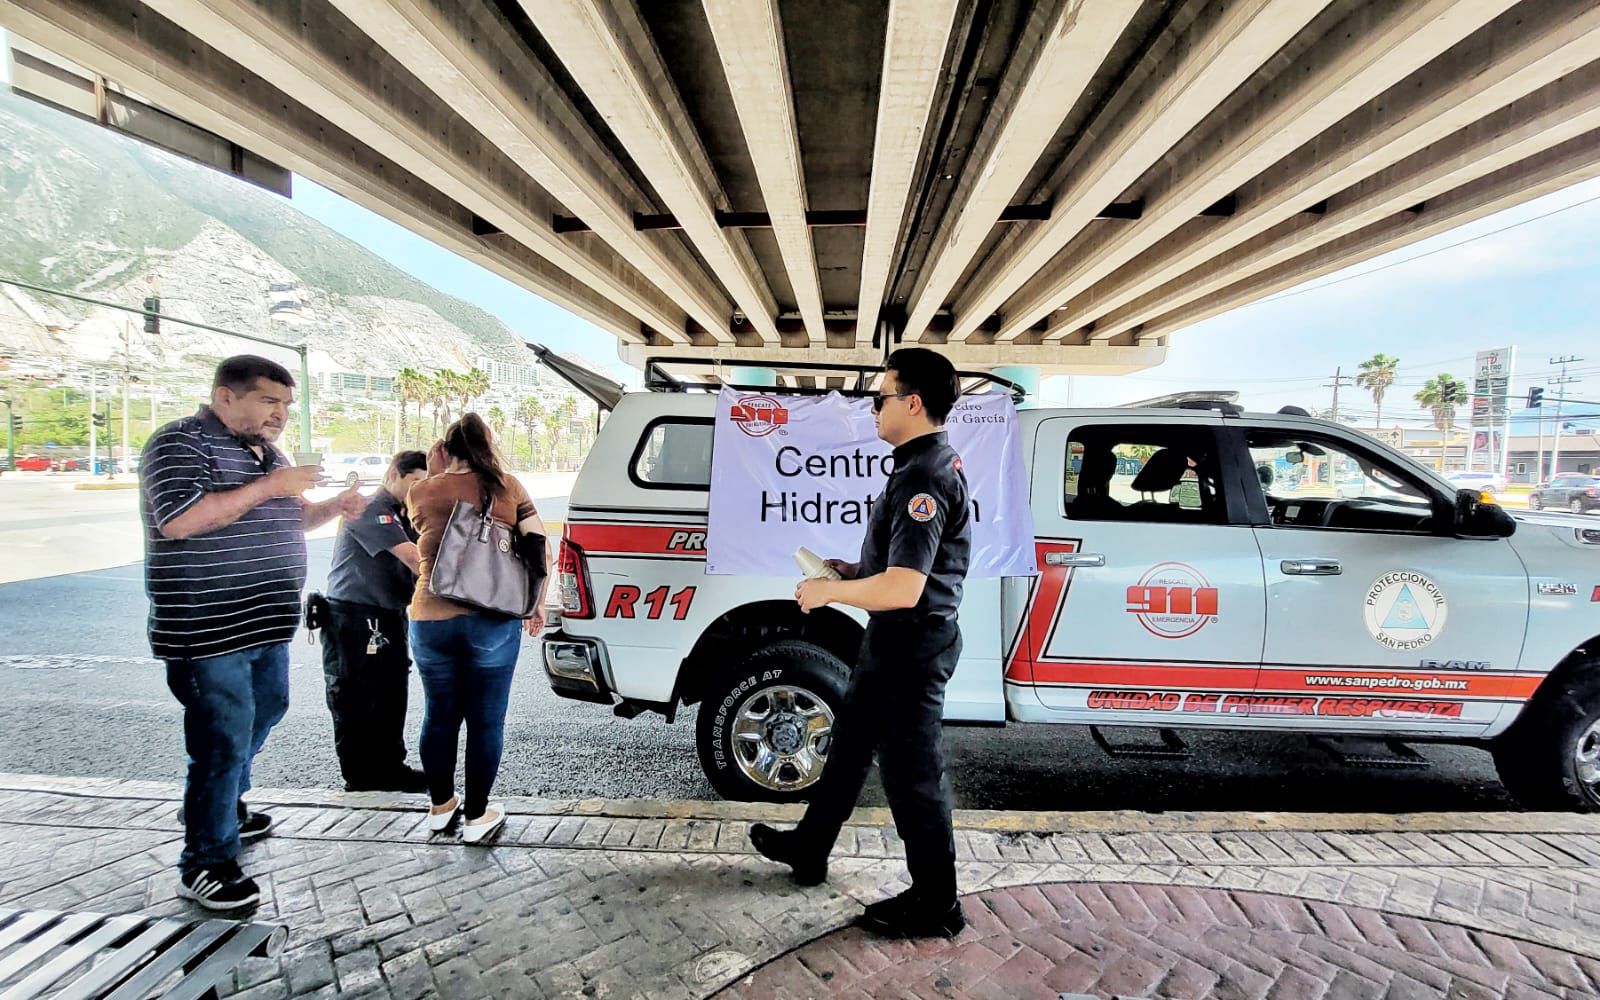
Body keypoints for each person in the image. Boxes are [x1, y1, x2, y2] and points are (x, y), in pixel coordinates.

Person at [748, 347, 973, 939]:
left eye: (882, 397)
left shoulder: (924, 474)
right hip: (893, 643)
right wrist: (849, 573)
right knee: (848, 748)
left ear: (913, 403)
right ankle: (810, 847)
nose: (874, 407)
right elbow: (893, 568)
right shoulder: (918, 464)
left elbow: (904, 587)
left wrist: (828, 596)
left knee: (914, 776)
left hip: (912, 645)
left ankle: (937, 902)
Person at [141, 355, 365, 910]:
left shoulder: (270, 455)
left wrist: (333, 507)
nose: (281, 415)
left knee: (268, 709)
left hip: (265, 622)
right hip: (209, 628)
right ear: (225, 396)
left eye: (286, 405)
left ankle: (221, 806)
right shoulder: (179, 443)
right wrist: (270, 487)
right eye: (270, 401)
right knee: (221, 742)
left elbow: (294, 519)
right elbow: (181, 520)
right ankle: (206, 861)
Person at [407, 414, 549, 843]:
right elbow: (538, 544)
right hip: (492, 617)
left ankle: (439, 806)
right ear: (487, 446)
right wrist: (535, 605)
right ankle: (477, 815)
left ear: (445, 448)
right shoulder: (507, 486)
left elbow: (428, 528)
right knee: (486, 721)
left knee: (439, 715)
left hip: (429, 618)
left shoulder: (421, 490)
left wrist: (437, 474)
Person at [317, 450, 431, 793]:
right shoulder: (368, 509)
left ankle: (391, 767)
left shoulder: (404, 513)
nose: (418, 491)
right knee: (355, 694)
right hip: (353, 616)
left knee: (391, 690)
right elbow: (414, 558)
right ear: (394, 473)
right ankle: (361, 776)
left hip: (389, 614)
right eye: (414, 482)